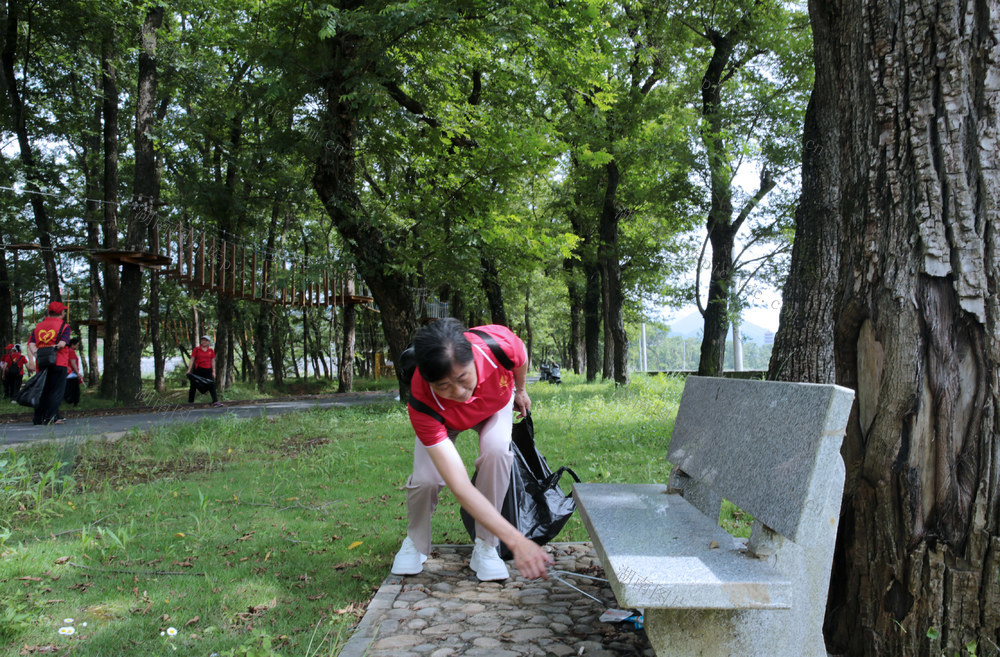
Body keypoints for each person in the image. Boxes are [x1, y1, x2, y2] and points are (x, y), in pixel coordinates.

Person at [392, 318, 552, 582]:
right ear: (428, 381)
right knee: (426, 479)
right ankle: (415, 542)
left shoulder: (499, 345)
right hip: (444, 421)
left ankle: (486, 546)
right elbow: (461, 486)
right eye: (443, 386)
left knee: (497, 451)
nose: (457, 391)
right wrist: (517, 540)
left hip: (492, 406)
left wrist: (521, 390)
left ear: (472, 358)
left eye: (462, 378)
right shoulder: (422, 402)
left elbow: (521, 356)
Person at [27, 301, 72, 425]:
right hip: (59, 361)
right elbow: (62, 344)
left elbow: (31, 343)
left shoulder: (38, 326)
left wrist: (37, 353)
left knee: (43, 389)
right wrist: (52, 349)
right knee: (56, 390)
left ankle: (38, 417)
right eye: (64, 311)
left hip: (42, 362)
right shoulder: (64, 327)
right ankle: (51, 417)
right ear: (61, 313)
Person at [187, 335, 222, 406]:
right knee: (193, 385)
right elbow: (192, 359)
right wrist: (189, 370)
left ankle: (215, 401)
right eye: (203, 340)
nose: (204, 342)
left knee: (212, 385)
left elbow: (213, 361)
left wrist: (214, 371)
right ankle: (191, 402)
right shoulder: (196, 349)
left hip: (208, 370)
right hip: (198, 370)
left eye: (206, 340)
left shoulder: (211, 351)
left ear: (209, 342)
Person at [62, 337, 83, 406]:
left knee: (67, 388)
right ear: (72, 345)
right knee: (75, 389)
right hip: (71, 373)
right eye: (77, 345)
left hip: (66, 373)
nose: (77, 346)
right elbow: (73, 363)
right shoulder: (71, 351)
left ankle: (67, 401)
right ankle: (74, 402)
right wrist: (77, 373)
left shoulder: (66, 350)